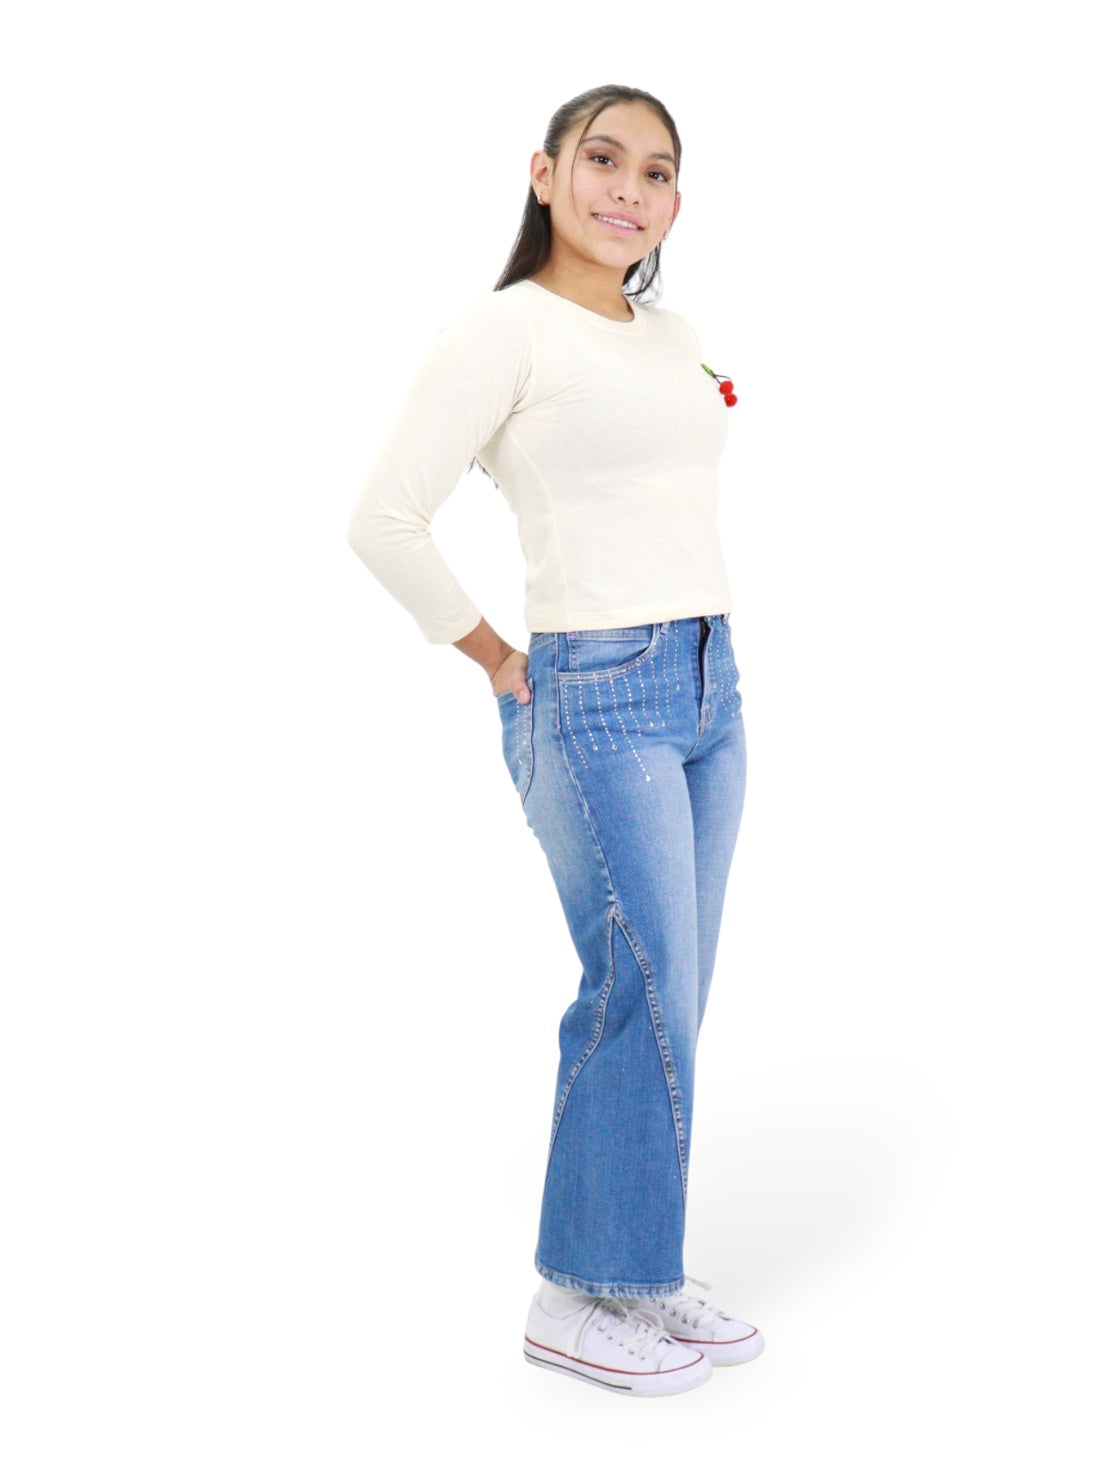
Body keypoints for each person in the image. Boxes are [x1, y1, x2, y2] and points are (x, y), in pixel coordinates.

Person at [347, 83, 764, 1398]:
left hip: (708, 682)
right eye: (603, 159)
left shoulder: (673, 333)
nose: (628, 190)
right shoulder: (502, 330)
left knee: (673, 992)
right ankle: (574, 1293)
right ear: (544, 173)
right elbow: (383, 519)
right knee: (633, 983)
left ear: (677, 202)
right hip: (598, 690)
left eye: (657, 172)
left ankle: (633, 1266)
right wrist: (496, 659)